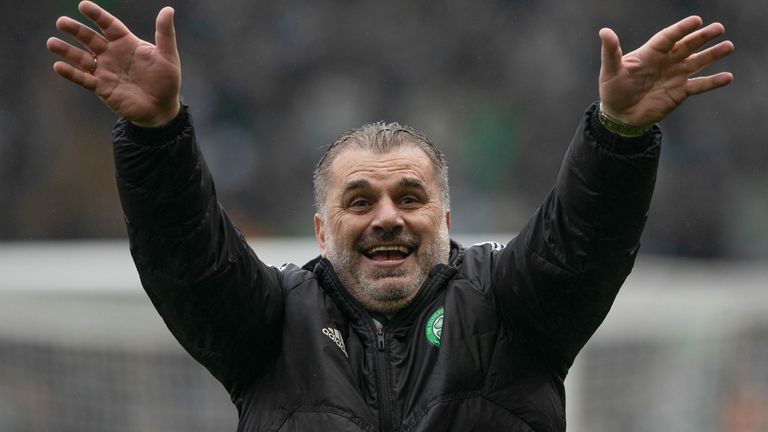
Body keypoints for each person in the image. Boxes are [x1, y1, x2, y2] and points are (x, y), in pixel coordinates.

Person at [47, 2, 734, 431]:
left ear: (445, 215)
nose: (386, 218)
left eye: (410, 198)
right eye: (359, 202)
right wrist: (156, 133)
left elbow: (583, 240)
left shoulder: (512, 305)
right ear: (320, 230)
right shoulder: (268, 324)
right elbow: (187, 259)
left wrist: (617, 134)